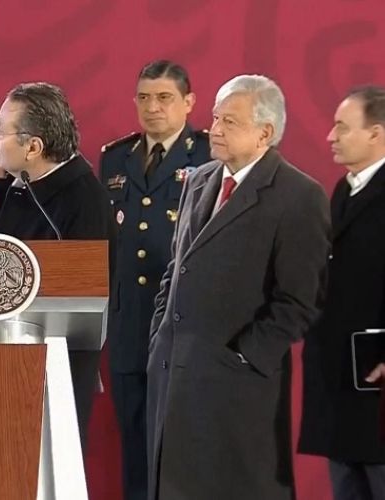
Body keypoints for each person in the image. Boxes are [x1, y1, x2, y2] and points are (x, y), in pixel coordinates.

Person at [146, 75, 330, 500]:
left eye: (230, 121)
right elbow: (177, 268)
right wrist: (159, 337)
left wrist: (244, 355)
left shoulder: (298, 195)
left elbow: (300, 301)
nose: (215, 129)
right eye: (214, 118)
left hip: (238, 388)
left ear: (265, 132)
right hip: (174, 375)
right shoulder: (199, 180)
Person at [99, 59, 211, 500]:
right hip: (129, 325)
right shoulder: (115, 156)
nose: (153, 108)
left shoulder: (206, 154)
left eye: (164, 98)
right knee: (134, 446)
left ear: (189, 102)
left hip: (183, 322)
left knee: (182, 447)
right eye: (144, 98)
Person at [0, 82, 115, 448]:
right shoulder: (21, 185)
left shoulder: (81, 197)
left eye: (0, 129)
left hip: (56, 363)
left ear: (33, 147)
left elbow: (83, 293)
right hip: (6, 353)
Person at [298, 85, 385, 500]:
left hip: (376, 383)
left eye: (342, 127)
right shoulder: (344, 190)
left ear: (376, 133)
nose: (330, 136)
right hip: (341, 382)